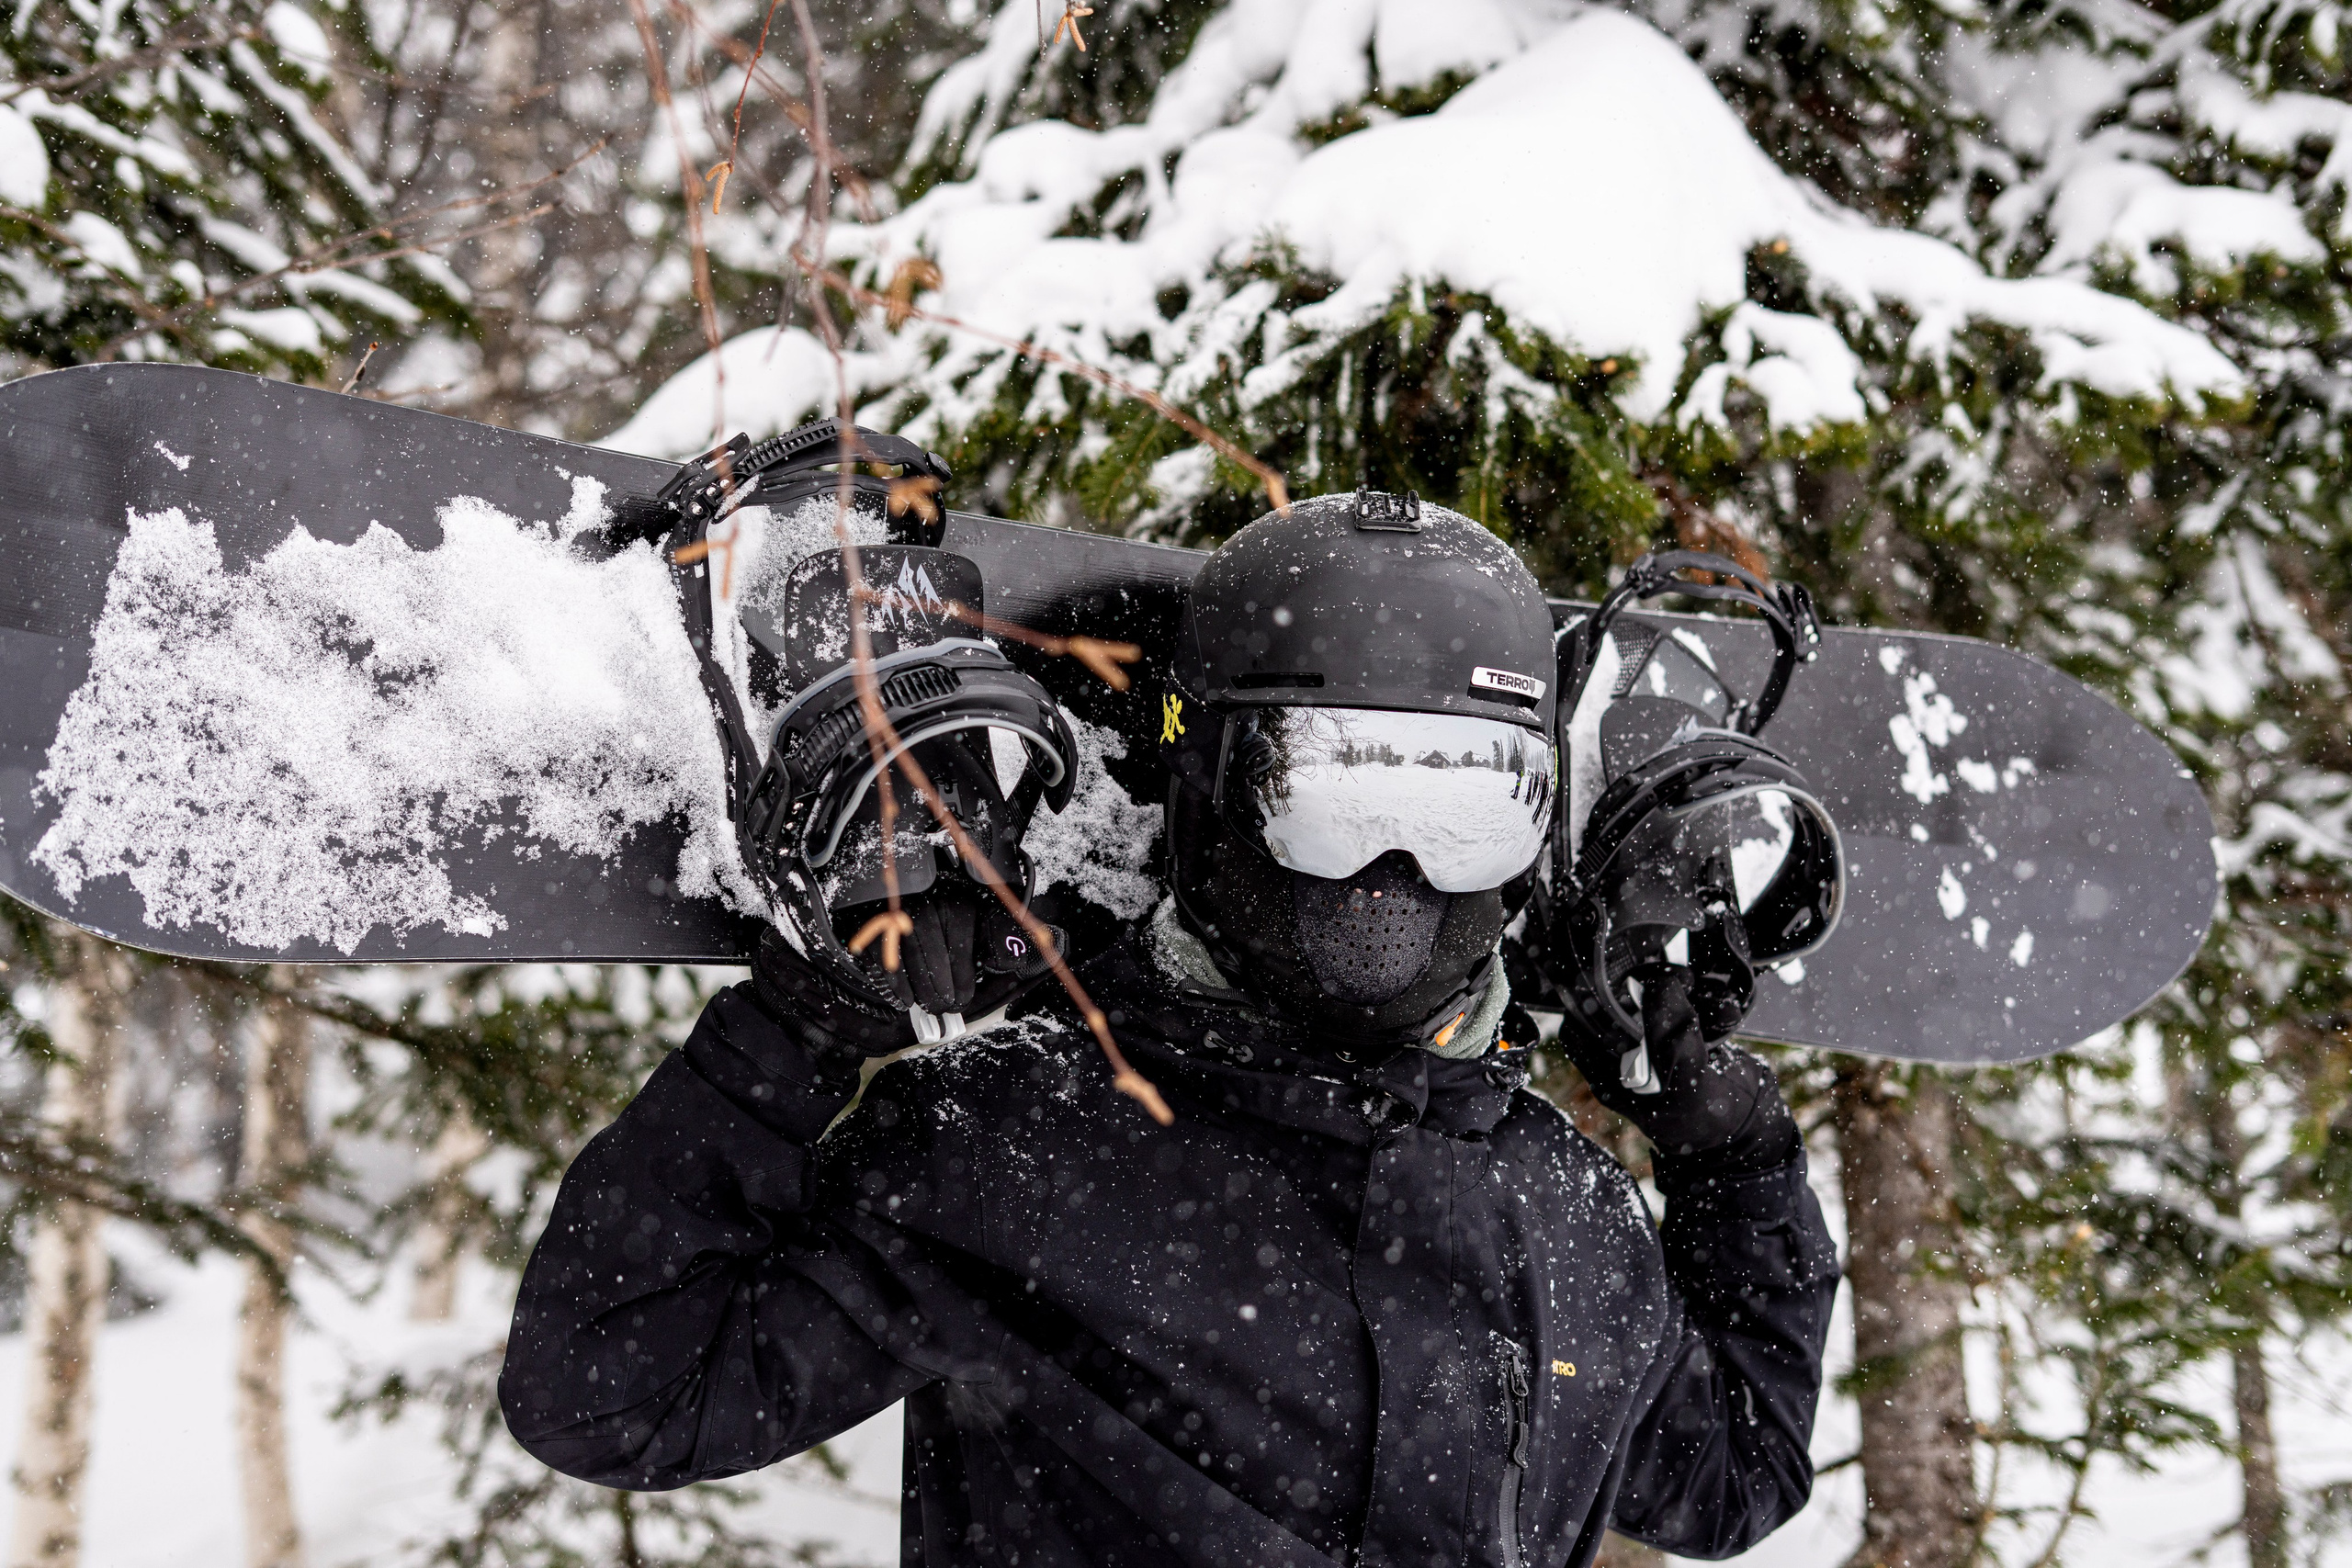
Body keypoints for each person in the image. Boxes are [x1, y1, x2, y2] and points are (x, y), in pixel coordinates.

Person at [499, 493, 1838, 1568]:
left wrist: (1729, 1148)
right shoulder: (1020, 1144)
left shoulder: (1568, 1199)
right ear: (1213, 789)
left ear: (1533, 836)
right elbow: (617, 1394)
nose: (1398, 876)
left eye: (1464, 810)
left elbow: (1731, 1478)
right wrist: (809, 1024)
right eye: (1338, 792)